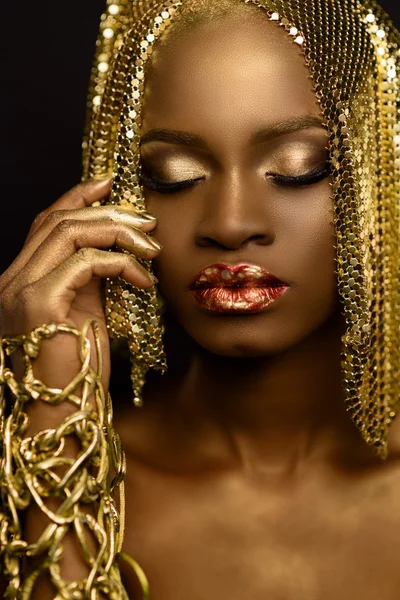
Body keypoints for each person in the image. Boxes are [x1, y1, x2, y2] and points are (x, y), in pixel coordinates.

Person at [1, 0, 399, 598]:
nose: (231, 223)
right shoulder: (63, 473)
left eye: (297, 168)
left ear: (380, 174)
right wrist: (54, 413)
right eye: (174, 175)